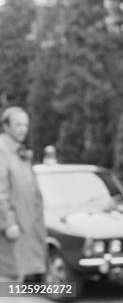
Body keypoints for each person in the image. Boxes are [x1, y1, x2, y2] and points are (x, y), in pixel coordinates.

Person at [0, 107, 46, 282]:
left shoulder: (20, 152)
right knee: (7, 283)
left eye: (25, 125)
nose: (23, 129)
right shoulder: (2, 150)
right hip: (10, 232)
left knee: (18, 284)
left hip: (26, 231)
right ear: (6, 126)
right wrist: (8, 222)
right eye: (18, 124)